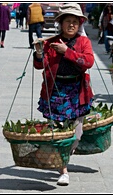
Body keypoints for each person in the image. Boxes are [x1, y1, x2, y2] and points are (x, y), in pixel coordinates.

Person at [33, 3, 94, 186]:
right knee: (59, 131)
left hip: (77, 91)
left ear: (79, 24)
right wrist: (38, 53)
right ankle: (63, 170)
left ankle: (65, 154)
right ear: (61, 23)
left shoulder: (83, 42)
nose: (71, 25)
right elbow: (40, 65)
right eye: (68, 21)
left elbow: (88, 61)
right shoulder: (51, 42)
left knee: (77, 133)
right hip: (56, 91)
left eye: (75, 21)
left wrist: (67, 52)